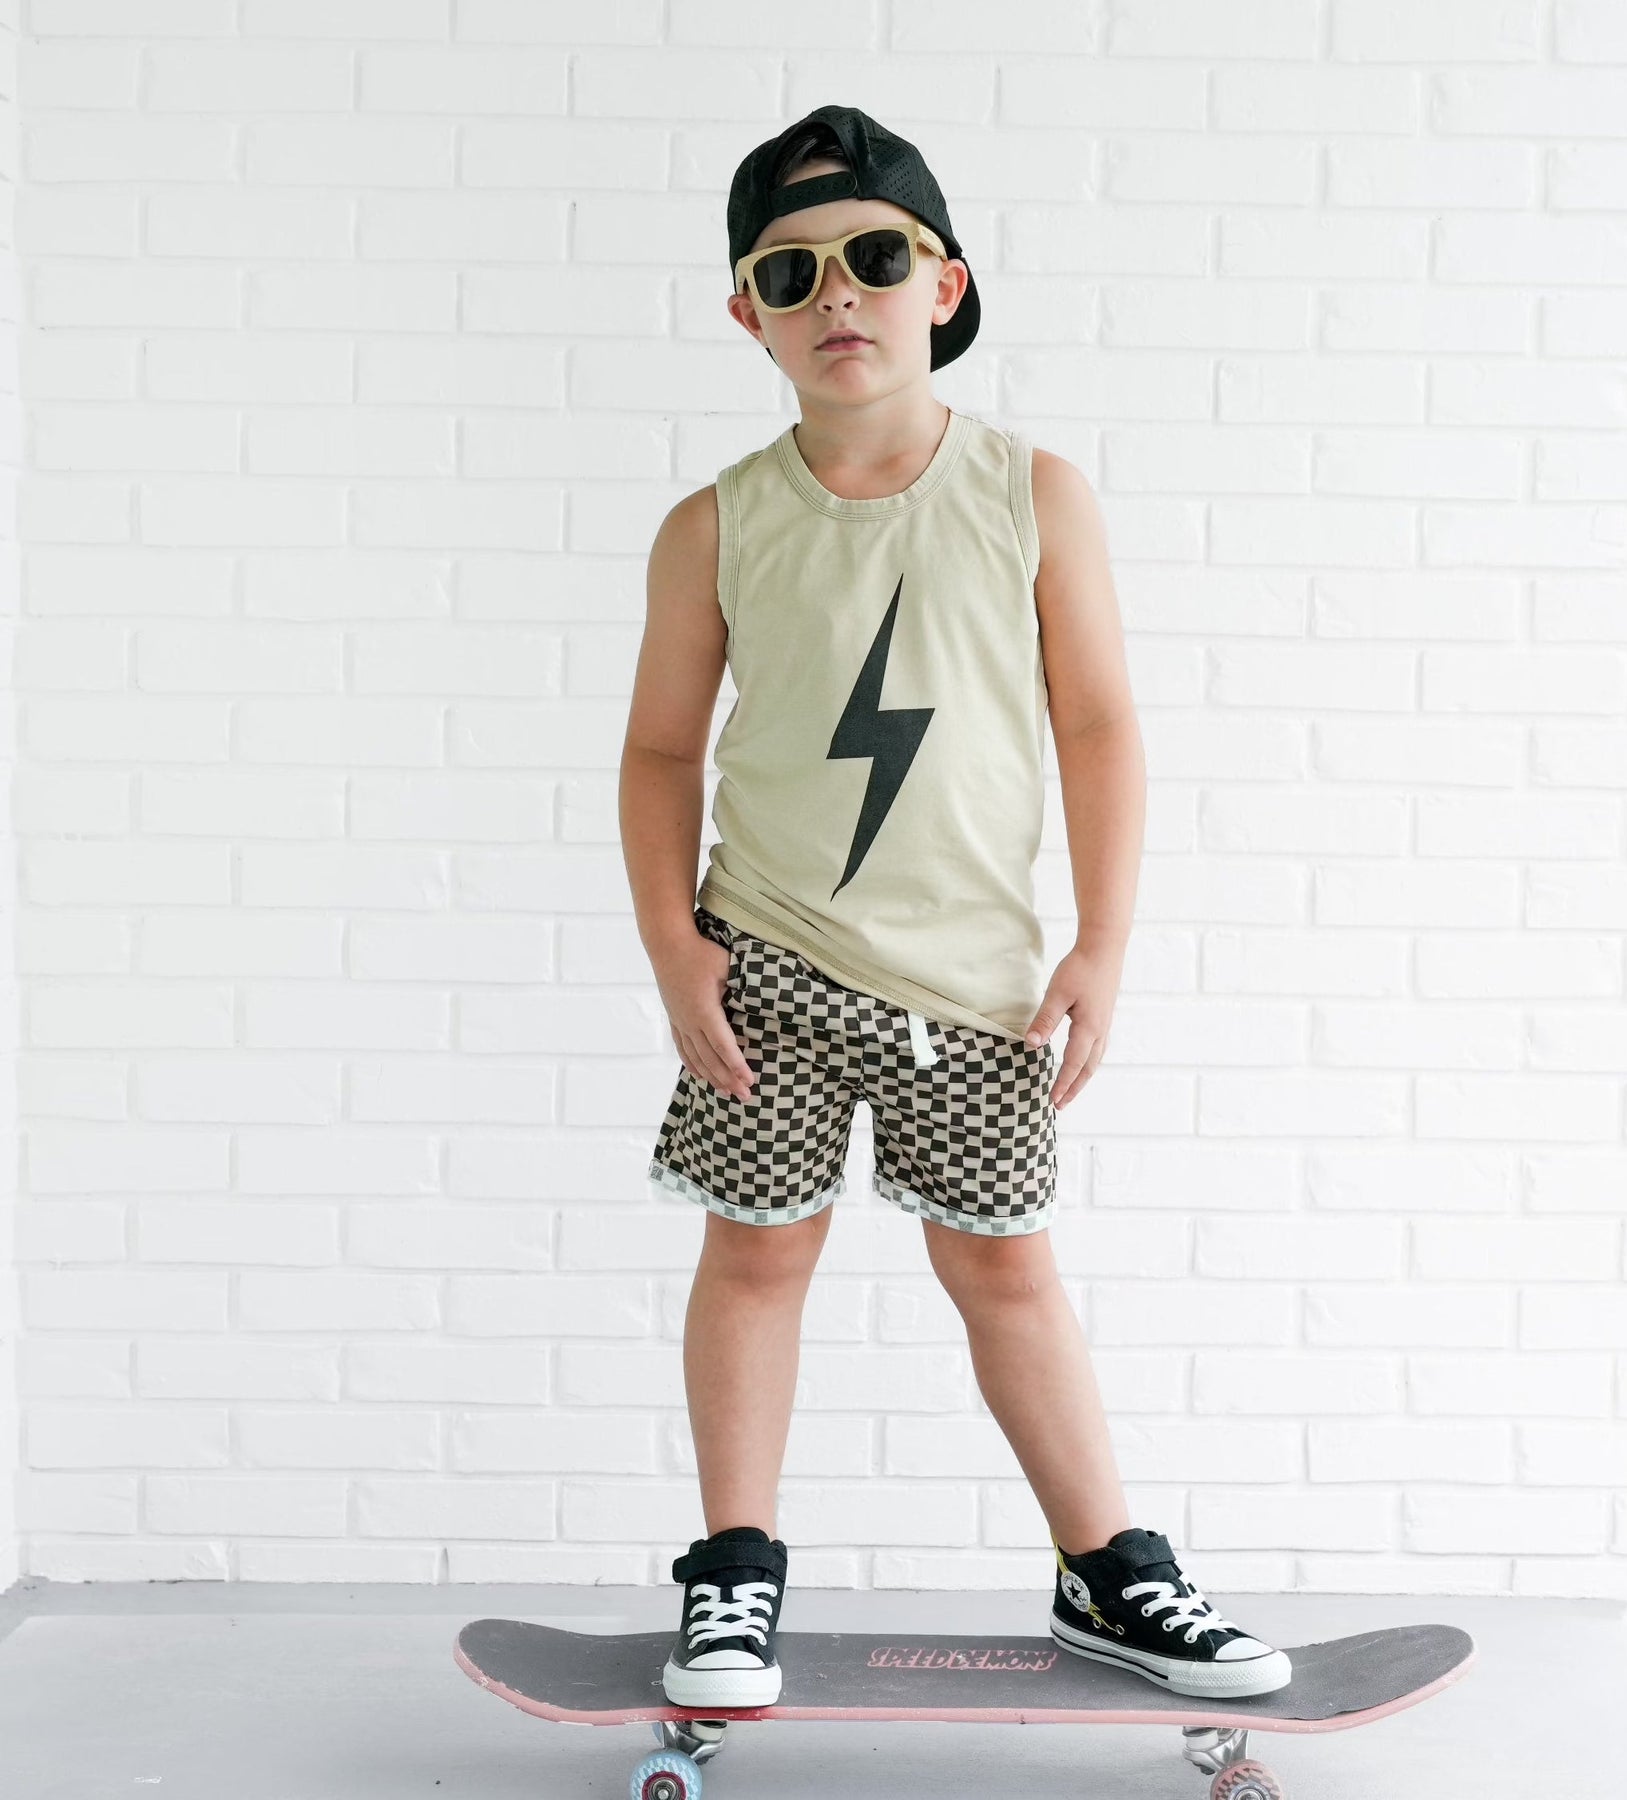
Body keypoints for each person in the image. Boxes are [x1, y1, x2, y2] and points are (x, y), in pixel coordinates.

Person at [617, 104, 1292, 1711]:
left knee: (1006, 1272)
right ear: (749, 315)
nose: (837, 294)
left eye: (873, 255)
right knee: (756, 1261)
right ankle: (734, 1575)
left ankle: (1107, 1568)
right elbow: (659, 751)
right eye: (792, 273)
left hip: (975, 987)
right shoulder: (715, 526)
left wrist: (1104, 941)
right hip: (768, 967)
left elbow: (1099, 725)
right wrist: (671, 944)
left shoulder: (1030, 494)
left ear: (944, 283)